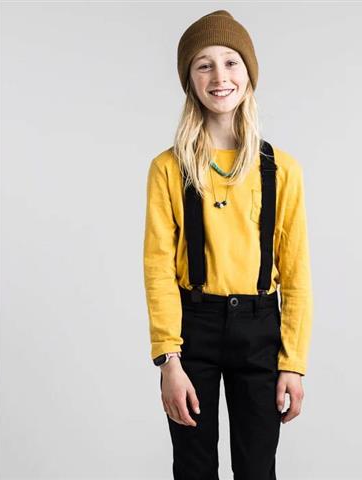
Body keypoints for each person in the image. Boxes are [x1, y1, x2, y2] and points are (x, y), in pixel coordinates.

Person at [143, 9, 313, 480]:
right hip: (193, 329)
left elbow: (296, 273)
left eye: (231, 62)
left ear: (248, 73)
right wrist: (169, 361)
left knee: (257, 469)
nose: (220, 77)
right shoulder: (168, 169)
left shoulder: (281, 170)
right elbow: (158, 269)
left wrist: (293, 363)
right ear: (191, 81)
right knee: (193, 468)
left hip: (260, 330)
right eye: (205, 65)